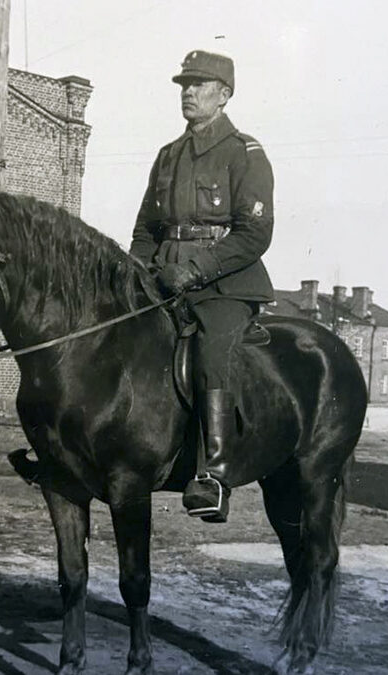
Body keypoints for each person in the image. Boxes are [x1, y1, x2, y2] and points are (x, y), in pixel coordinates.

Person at [130, 50, 275, 523]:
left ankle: (213, 475)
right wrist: (136, 274)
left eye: (199, 85)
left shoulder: (245, 153)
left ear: (224, 95)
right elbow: (146, 229)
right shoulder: (167, 156)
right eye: (184, 85)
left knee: (213, 350)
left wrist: (193, 272)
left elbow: (254, 234)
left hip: (225, 284)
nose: (188, 92)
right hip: (165, 278)